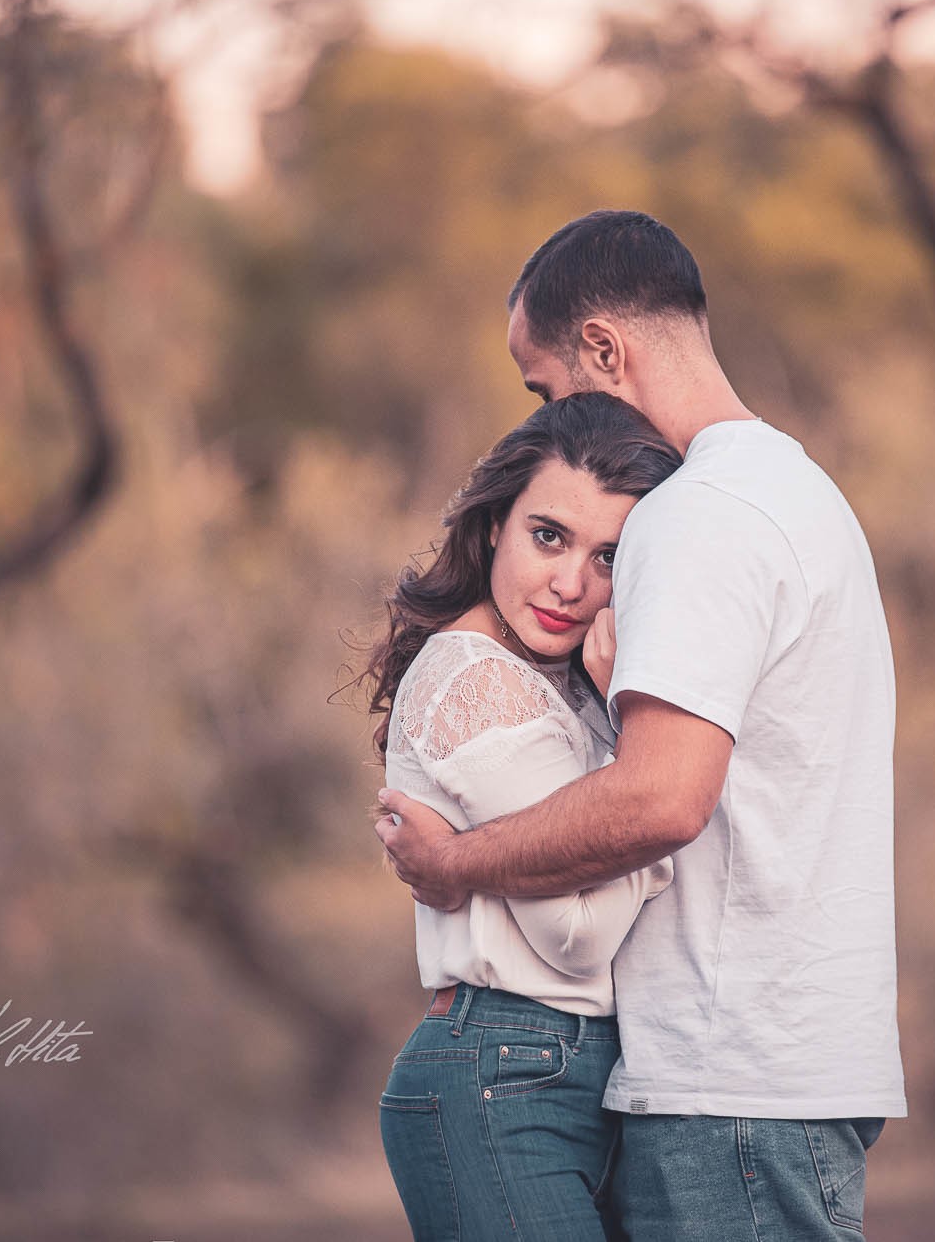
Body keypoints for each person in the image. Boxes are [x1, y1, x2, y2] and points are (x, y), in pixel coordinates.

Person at [376, 209, 906, 1239]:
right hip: (785, 1061)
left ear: (605, 351)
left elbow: (661, 800)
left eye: (546, 389)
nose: (549, 422)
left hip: (729, 1077)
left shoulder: (695, 515)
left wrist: (458, 868)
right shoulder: (800, 493)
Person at [362, 391, 684, 1240]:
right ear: (495, 523)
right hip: (500, 1073)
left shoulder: (558, 679)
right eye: (550, 535)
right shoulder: (477, 680)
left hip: (555, 1073)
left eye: (610, 556)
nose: (572, 583)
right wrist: (655, 809)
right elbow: (573, 934)